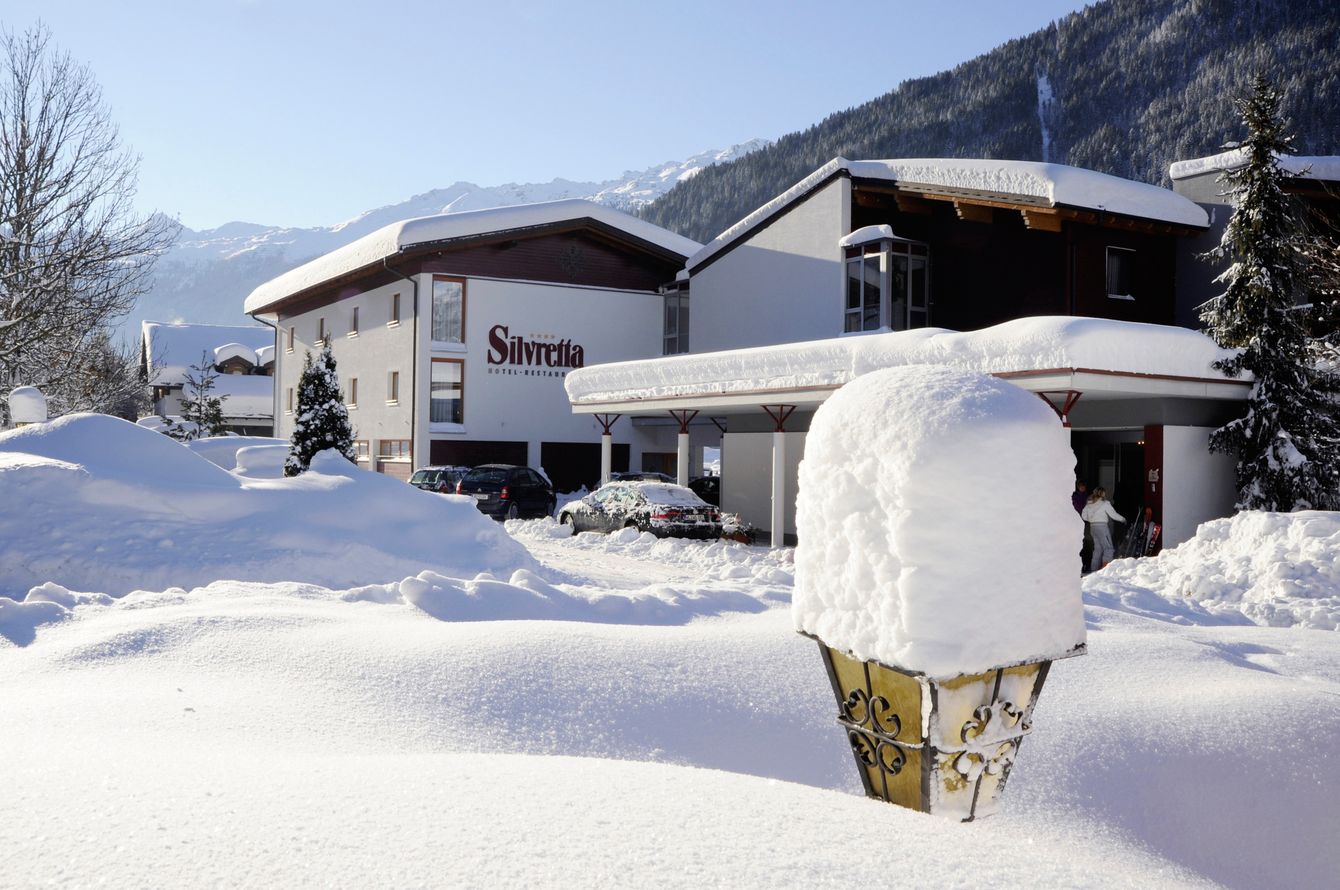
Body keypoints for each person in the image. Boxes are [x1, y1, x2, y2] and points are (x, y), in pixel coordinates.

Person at [1081, 487, 1126, 572]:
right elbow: (1113, 515)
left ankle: (1093, 569)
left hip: (1093, 527)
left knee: (1098, 549)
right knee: (1108, 548)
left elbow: (1083, 516)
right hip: (1102, 528)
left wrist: (1091, 519)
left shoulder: (1089, 504)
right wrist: (1122, 519)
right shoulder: (1105, 503)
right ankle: (1105, 570)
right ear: (1102, 493)